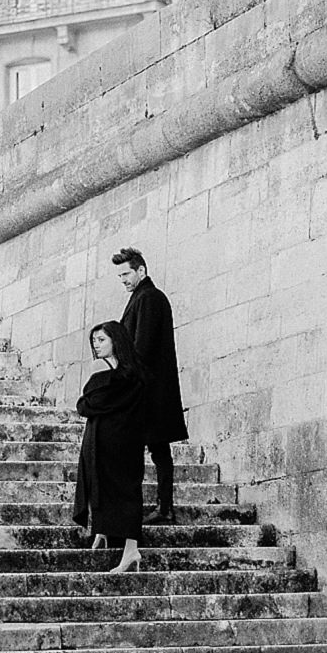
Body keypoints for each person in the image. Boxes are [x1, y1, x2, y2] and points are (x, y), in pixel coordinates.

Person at [113, 246, 187, 523]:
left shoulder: (150, 298)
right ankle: (162, 506)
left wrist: (124, 377)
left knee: (155, 449)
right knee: (157, 449)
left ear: (141, 270)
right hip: (149, 389)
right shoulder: (143, 297)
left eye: (126, 273)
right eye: (119, 275)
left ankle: (163, 507)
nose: (122, 280)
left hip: (149, 391)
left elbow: (141, 347)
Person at [72, 320, 147, 574]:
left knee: (115, 487)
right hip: (116, 440)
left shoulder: (112, 370)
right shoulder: (127, 372)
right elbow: (87, 405)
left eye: (102, 340)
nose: (97, 345)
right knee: (114, 487)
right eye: (94, 341)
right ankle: (109, 535)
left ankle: (129, 549)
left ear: (116, 341)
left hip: (114, 440)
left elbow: (88, 404)